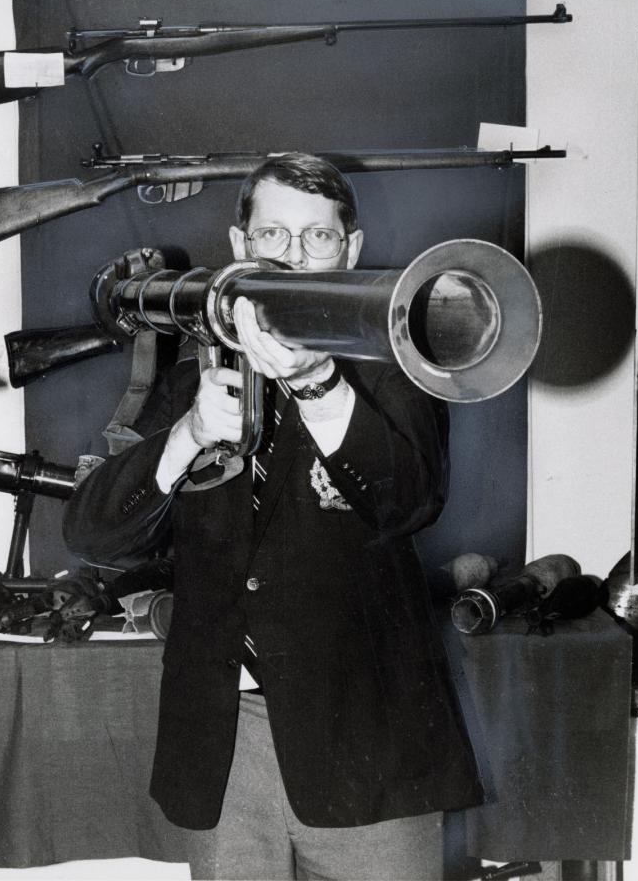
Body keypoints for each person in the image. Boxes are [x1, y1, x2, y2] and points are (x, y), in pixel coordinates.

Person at [63, 153, 482, 881]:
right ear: (239, 246)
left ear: (349, 251)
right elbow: (94, 533)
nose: (291, 258)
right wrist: (188, 436)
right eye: (273, 237)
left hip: (371, 742)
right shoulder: (191, 370)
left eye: (317, 238)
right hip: (227, 752)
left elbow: (409, 500)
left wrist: (316, 381)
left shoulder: (394, 359)